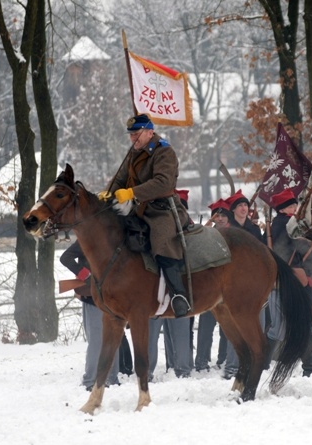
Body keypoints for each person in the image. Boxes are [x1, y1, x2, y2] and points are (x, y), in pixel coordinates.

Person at [101, 113, 191, 318]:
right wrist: (108, 193)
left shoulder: (164, 151)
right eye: (131, 135)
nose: (133, 139)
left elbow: (163, 182)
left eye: (137, 134)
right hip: (137, 209)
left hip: (163, 209)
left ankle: (179, 295)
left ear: (150, 132)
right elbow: (120, 178)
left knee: (161, 240)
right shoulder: (134, 152)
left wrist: (133, 193)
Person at [268, 188, 312, 376]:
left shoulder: (277, 225)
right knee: (310, 323)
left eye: (294, 204)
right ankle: (310, 366)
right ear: (283, 209)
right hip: (294, 282)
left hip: (284, 281)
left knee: (303, 324)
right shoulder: (286, 225)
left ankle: (265, 362)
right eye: (291, 205)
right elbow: (302, 248)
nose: (295, 208)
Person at [60, 241, 131, 390]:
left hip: (114, 296)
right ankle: (90, 381)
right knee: (97, 342)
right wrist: (86, 276)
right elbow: (66, 258)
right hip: (93, 298)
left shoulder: (116, 237)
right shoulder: (86, 237)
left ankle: (112, 378)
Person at [148, 189, 194, 379]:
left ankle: (182, 369)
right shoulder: (148, 208)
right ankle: (146, 370)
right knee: (149, 334)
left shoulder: (178, 214)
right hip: (149, 286)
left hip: (176, 271)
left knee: (180, 327)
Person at [222, 190, 264, 379]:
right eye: (240, 205)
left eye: (246, 205)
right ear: (233, 210)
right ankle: (232, 365)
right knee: (235, 326)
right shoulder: (226, 231)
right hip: (231, 282)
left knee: (254, 325)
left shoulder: (254, 230)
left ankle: (256, 362)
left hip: (253, 282)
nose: (244, 208)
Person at [195, 198, 231, 372]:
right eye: (218, 216)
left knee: (227, 328)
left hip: (228, 288)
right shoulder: (206, 235)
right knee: (205, 328)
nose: (221, 219)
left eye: (224, 215)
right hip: (209, 289)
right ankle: (201, 361)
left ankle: (223, 358)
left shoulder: (234, 236)